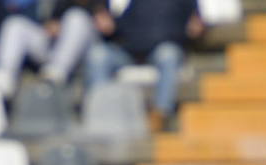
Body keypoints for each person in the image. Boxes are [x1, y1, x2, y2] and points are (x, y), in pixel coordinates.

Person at [85, 0, 203, 132]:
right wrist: (109, 24)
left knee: (169, 54)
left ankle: (161, 114)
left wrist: (196, 28)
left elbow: (196, 24)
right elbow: (118, 24)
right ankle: (100, 112)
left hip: (161, 49)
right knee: (98, 54)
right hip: (128, 50)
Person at [0, 0, 100, 97]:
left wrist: (61, 24)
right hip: (52, 46)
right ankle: (4, 78)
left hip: (87, 43)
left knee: (76, 17)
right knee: (15, 24)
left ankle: (55, 74)